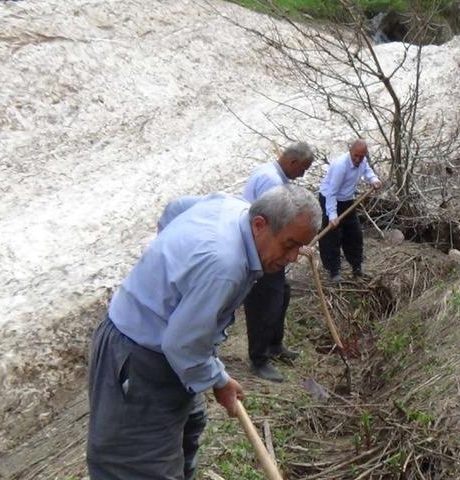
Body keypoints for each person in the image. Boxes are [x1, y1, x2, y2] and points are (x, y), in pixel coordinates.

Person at [87, 185, 321, 480]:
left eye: (300, 247)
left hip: (169, 351)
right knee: (137, 464)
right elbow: (183, 345)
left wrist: (174, 270)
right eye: (289, 244)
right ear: (260, 225)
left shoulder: (232, 208)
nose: (293, 258)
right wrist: (219, 380)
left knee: (189, 428)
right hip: (137, 355)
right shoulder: (224, 266)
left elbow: (175, 208)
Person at [242, 142, 314, 382]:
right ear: (293, 162)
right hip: (264, 253)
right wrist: (295, 246)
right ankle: (259, 359)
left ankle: (275, 345)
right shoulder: (271, 181)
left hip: (273, 250)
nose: (302, 175)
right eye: (302, 169)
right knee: (265, 304)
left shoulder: (275, 177)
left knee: (282, 295)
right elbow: (271, 225)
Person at [317, 139, 382, 282]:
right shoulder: (340, 166)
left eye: (361, 156)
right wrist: (332, 215)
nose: (358, 159)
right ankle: (334, 271)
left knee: (355, 233)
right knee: (331, 236)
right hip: (330, 199)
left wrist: (374, 180)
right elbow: (331, 193)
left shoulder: (362, 161)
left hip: (347, 200)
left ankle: (356, 268)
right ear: (350, 152)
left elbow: (367, 171)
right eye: (355, 156)